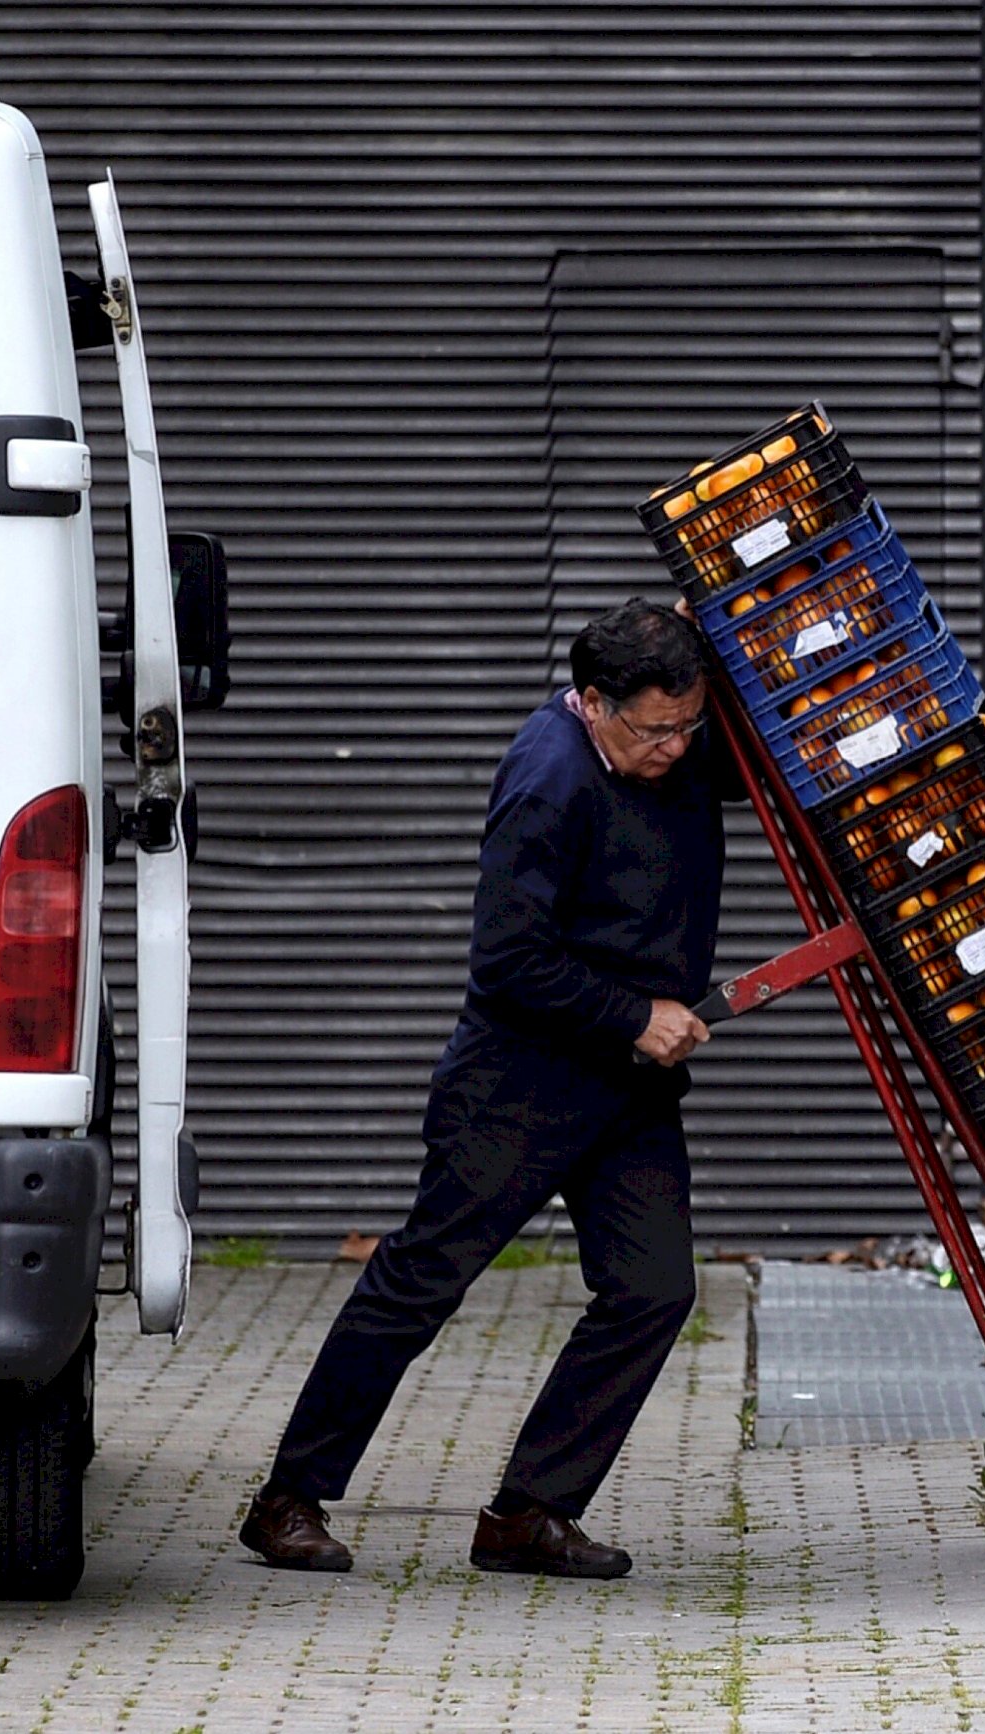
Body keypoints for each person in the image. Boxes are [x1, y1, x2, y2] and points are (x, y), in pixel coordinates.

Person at [241, 599, 745, 1580]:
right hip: (518, 1081)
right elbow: (509, 960)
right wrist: (636, 1016)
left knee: (652, 1289)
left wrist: (719, 627)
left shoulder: (673, 741)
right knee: (420, 1283)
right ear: (592, 703)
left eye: (690, 725)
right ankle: (286, 1500)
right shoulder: (548, 780)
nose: (679, 750)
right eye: (655, 731)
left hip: (625, 1090)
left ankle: (529, 1513)